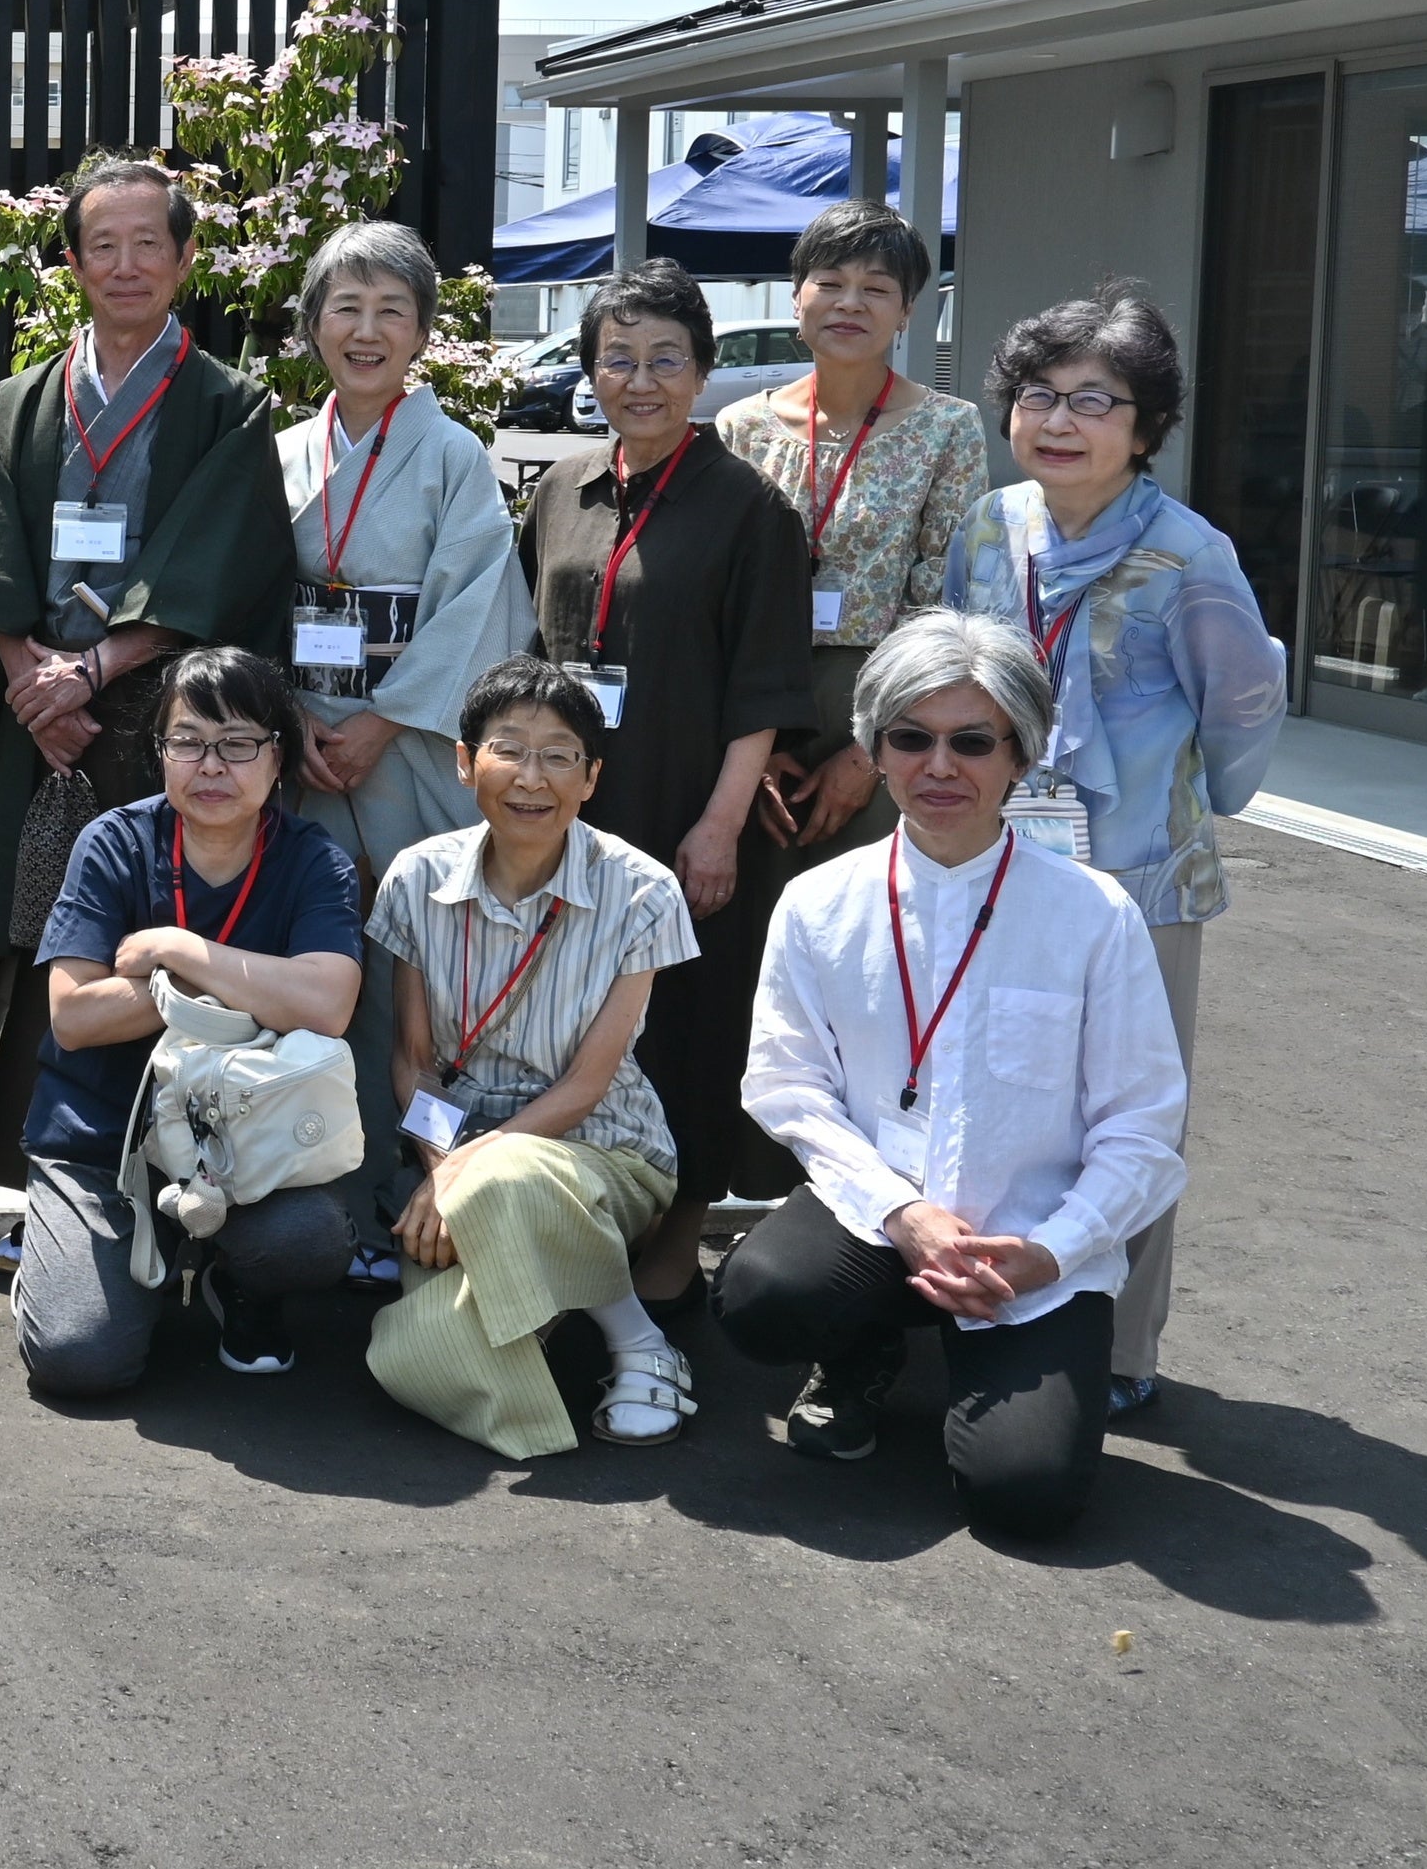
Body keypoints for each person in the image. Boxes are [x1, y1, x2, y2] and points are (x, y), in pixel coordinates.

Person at [720, 612, 1186, 1538]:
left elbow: (1143, 1127)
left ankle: (992, 1364)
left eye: (973, 740)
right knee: (759, 1299)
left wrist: (1053, 1249)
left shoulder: (1095, 916)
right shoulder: (818, 903)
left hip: (1033, 1245)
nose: (940, 766)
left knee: (1025, 1498)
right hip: (881, 1213)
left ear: (1021, 755)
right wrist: (905, 1212)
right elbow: (786, 1083)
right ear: (876, 750)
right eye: (910, 737)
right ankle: (863, 1349)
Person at [0, 153, 294, 1210]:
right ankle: (39, 1186)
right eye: (103, 245)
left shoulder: (229, 404)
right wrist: (27, 675)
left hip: (174, 725)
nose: (125, 264)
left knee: (165, 945)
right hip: (44, 728)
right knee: (39, 935)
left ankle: (181, 1188)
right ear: (72, 261)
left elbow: (226, 554)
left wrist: (95, 668)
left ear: (184, 259)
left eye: (148, 244)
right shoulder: (24, 401)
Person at [942, 285, 1282, 1417]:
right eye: (1039, 394)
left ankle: (1124, 1351)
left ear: (1145, 428)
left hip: (1141, 882)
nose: (1060, 420)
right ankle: (993, 1301)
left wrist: (1183, 801)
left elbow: (1243, 708)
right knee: (1001, 1084)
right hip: (1003, 864)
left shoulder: (1187, 557)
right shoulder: (994, 527)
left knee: (1130, 1110)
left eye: (1097, 400)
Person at [516, 257, 812, 1308]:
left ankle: (680, 1233)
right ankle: (576, 1209)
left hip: (685, 808)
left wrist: (723, 826)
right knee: (568, 1014)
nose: (638, 381)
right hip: (563, 813)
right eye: (617, 359)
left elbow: (762, 688)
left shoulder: (749, 510)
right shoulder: (560, 489)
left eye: (664, 360)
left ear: (704, 371)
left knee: (688, 1021)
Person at [273, 218, 534, 1271]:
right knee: (314, 958)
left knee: (421, 968)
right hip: (300, 744)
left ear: (424, 329)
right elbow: (257, 591)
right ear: (313, 325)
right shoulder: (282, 449)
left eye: (392, 309)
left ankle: (425, 1188)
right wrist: (288, 719)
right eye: (347, 306)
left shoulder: (453, 454)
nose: (368, 329)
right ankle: (318, 1184)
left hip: (411, 742)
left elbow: (477, 603)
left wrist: (385, 718)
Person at [361, 660, 699, 1457]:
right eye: (508, 749)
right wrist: (441, 1164)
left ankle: (641, 1344)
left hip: (604, 1152)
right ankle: (531, 1314)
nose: (531, 777)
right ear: (463, 759)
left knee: (506, 1180)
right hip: (461, 1153)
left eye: (559, 755)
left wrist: (459, 1176)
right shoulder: (417, 877)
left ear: (591, 777)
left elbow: (586, 1086)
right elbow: (414, 1063)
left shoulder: (642, 891)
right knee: (405, 1354)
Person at [14, 646, 363, 1392]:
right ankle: (94, 1252)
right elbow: (74, 1014)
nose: (213, 765)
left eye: (239, 744)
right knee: (80, 1359)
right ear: (159, 753)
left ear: (278, 759)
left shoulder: (312, 859)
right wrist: (255, 984)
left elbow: (329, 1002)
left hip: (251, 1145)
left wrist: (179, 950)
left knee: (309, 1239)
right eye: (189, 741)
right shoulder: (111, 844)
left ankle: (235, 1280)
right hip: (104, 1139)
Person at [724, 204, 990, 881]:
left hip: (888, 700)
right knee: (753, 914)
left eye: (876, 288)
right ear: (796, 295)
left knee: (873, 905)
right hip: (751, 699)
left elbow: (949, 602)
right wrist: (747, 755)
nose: (850, 303)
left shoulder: (947, 429)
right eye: (829, 281)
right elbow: (715, 592)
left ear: (906, 311)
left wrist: (871, 749)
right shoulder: (740, 427)